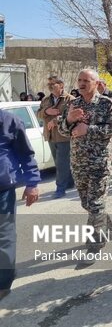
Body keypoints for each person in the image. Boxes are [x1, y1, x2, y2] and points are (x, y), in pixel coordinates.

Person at [58, 69, 112, 262]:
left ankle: (94, 245)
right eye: (79, 80)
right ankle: (106, 225)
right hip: (78, 162)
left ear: (96, 83)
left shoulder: (106, 103)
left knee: (95, 204)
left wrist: (88, 129)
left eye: (86, 80)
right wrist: (69, 120)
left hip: (99, 162)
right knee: (88, 203)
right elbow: (63, 131)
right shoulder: (73, 103)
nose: (81, 83)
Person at [0, 109, 40, 302]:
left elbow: (26, 154)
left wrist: (32, 183)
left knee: (4, 236)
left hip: (3, 190)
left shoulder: (9, 120)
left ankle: (3, 283)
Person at [37, 76, 75, 199]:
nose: (50, 85)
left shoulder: (70, 99)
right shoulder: (46, 100)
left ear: (61, 85)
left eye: (54, 83)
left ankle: (60, 188)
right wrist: (47, 111)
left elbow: (72, 116)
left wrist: (55, 120)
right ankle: (69, 183)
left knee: (61, 163)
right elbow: (38, 114)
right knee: (59, 162)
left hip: (64, 135)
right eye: (49, 83)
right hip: (51, 135)